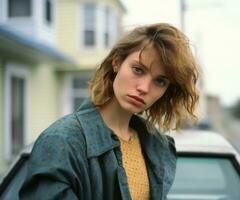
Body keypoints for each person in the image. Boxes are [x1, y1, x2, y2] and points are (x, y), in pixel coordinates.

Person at [19, 23, 200, 200]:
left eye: (160, 81)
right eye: (138, 70)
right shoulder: (63, 140)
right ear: (117, 63)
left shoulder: (156, 145)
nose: (144, 87)